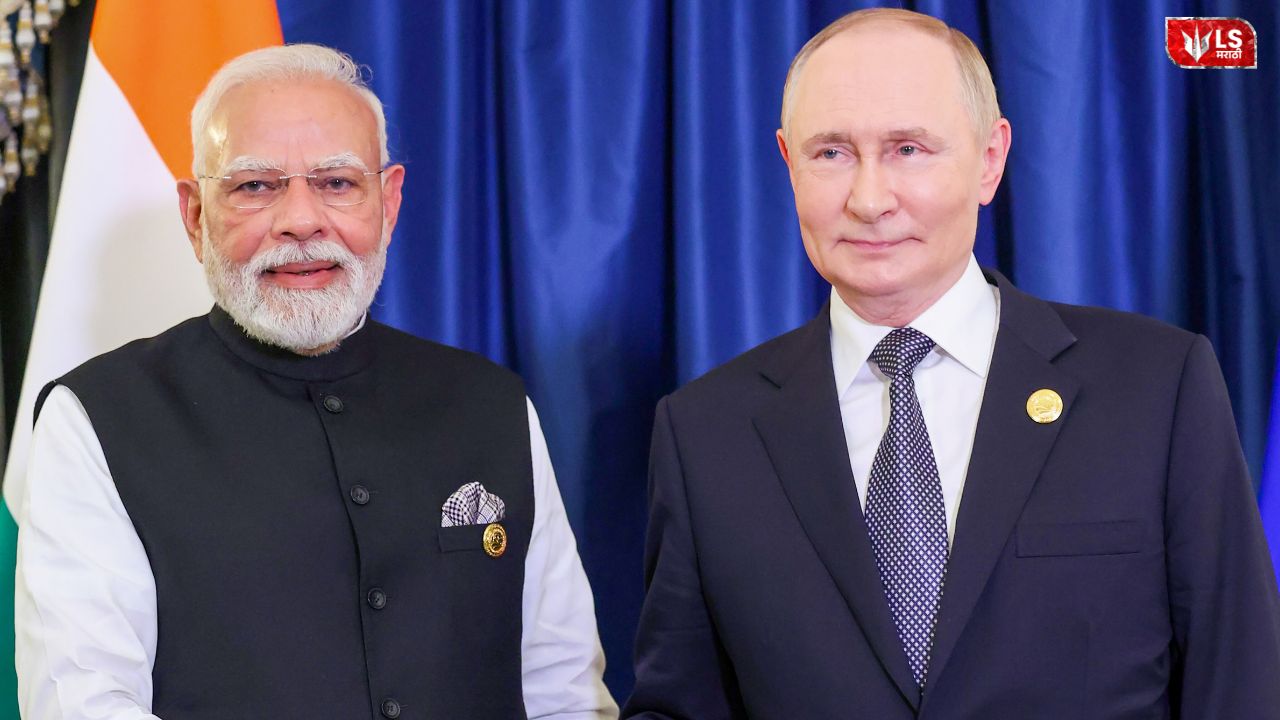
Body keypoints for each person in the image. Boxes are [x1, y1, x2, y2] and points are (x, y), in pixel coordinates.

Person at [623, 8, 1280, 719]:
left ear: (990, 160)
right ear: (788, 162)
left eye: (909, 149)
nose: (870, 199)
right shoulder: (705, 433)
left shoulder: (1157, 386)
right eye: (832, 154)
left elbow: (1240, 684)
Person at [13, 43, 618, 720]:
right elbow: (86, 703)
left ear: (387, 203)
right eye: (254, 186)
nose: (301, 221)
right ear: (194, 216)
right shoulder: (96, 418)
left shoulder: (493, 405)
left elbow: (562, 691)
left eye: (336, 182)